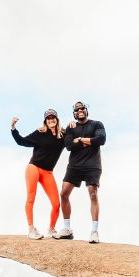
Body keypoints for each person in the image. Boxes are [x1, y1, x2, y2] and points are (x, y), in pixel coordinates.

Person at [53, 101, 106, 243]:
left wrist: (81, 139)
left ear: (86, 111)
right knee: (63, 193)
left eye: (83, 108)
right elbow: (69, 145)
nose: (80, 110)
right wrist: (89, 141)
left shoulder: (97, 124)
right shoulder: (71, 128)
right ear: (74, 113)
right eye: (77, 109)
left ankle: (94, 231)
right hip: (75, 166)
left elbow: (101, 139)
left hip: (92, 165)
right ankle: (67, 229)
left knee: (93, 194)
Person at [11, 109, 65, 239]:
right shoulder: (40, 133)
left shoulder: (63, 135)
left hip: (47, 172)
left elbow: (73, 140)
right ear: (45, 121)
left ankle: (51, 229)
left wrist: (73, 126)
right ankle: (31, 229)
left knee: (57, 204)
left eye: (53, 118)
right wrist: (13, 128)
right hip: (34, 168)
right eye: (48, 118)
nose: (51, 120)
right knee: (31, 197)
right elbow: (21, 141)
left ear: (57, 120)